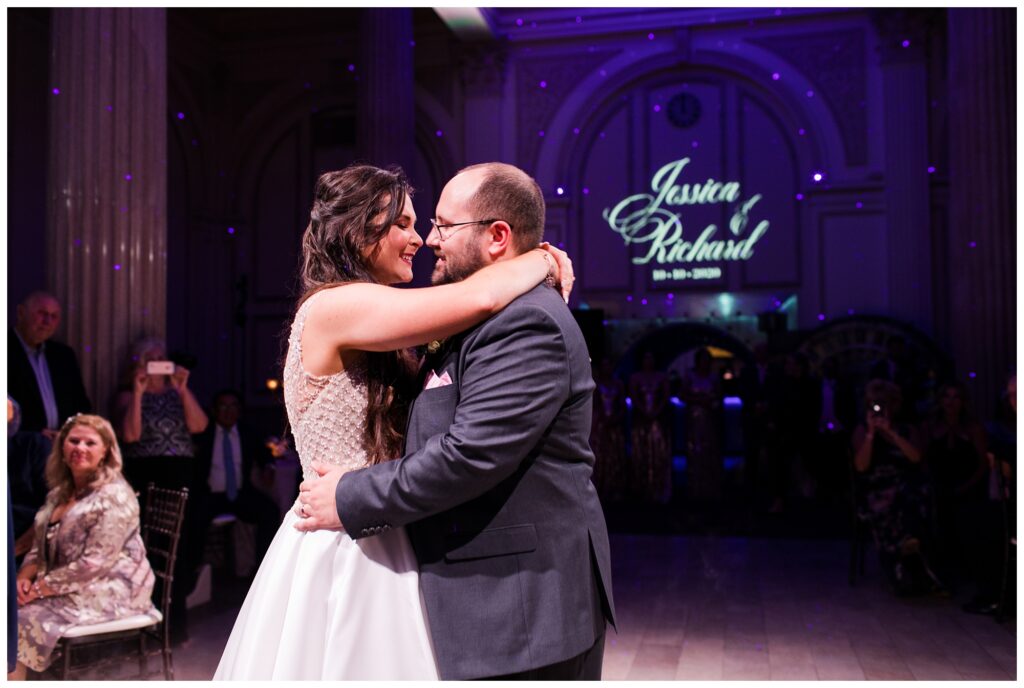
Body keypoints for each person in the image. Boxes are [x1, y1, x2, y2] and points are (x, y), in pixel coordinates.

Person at [215, 163, 584, 680]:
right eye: (404, 224)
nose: (422, 239)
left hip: (382, 521)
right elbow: (477, 297)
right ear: (359, 230)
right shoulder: (334, 307)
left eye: (429, 224)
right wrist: (540, 259)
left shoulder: (375, 314)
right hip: (344, 535)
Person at [9, 414, 157, 679]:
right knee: (7, 607)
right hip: (67, 584)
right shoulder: (59, 492)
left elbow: (93, 564)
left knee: (14, 620)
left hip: (112, 589)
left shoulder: (114, 495)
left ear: (105, 452)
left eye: (90, 443)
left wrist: (38, 590)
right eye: (73, 441)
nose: (80, 448)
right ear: (62, 448)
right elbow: (39, 544)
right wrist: (23, 578)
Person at [113, 337, 208, 645]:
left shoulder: (176, 393)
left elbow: (199, 426)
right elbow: (131, 434)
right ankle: (147, 627)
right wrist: (139, 391)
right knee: (152, 549)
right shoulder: (128, 395)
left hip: (182, 475)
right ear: (138, 363)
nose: (157, 361)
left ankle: (175, 628)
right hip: (148, 476)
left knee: (181, 551)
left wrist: (182, 389)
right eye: (149, 357)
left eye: (160, 356)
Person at [851, 380, 938, 596]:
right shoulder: (862, 430)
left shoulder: (907, 429)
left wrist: (893, 434)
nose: (878, 408)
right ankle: (907, 560)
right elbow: (861, 466)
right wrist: (872, 434)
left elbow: (916, 458)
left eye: (883, 403)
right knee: (896, 501)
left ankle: (908, 562)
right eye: (873, 403)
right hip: (876, 491)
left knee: (910, 496)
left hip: (907, 488)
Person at [921, 382, 995, 611]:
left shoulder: (973, 427)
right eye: (947, 397)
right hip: (939, 487)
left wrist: (966, 487)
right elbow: (923, 459)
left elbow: (983, 465)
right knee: (936, 521)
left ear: (963, 401)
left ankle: (972, 580)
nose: (951, 402)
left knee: (966, 520)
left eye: (956, 397)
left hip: (969, 487)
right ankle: (940, 577)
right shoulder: (931, 426)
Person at [192, 389, 280, 570]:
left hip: (240, 493)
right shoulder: (204, 432)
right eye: (223, 406)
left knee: (270, 512)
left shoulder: (247, 432)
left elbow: (265, 455)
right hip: (210, 494)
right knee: (194, 518)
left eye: (233, 406)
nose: (228, 411)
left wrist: (268, 468)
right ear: (214, 410)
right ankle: (195, 573)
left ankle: (262, 570)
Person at [8, 292, 92, 436]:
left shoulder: (64, 355)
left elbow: (81, 404)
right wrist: (36, 432)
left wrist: (70, 432)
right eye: (42, 313)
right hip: (16, 449)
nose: (47, 321)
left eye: (54, 316)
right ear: (21, 313)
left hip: (59, 448)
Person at [680, 348, 722, 503]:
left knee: (710, 452)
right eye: (702, 359)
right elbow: (682, 395)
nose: (705, 363)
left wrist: (711, 402)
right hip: (694, 419)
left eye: (707, 360)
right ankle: (695, 488)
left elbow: (719, 396)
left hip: (710, 420)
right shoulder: (690, 376)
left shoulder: (714, 377)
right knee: (695, 451)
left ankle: (710, 488)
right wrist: (698, 400)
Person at [629, 351, 672, 503]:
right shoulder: (635, 378)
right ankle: (642, 488)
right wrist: (644, 411)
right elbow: (634, 397)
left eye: (651, 358)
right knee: (642, 452)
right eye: (646, 358)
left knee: (658, 452)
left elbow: (665, 397)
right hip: (641, 422)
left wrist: (656, 412)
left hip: (657, 422)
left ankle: (659, 489)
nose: (648, 361)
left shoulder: (661, 377)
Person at [590, 358, 628, 502]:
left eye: (609, 365)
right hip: (600, 425)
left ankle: (616, 487)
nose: (608, 369)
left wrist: (616, 418)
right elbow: (594, 404)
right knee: (601, 455)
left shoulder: (618, 384)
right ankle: (601, 487)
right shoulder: (596, 385)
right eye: (605, 366)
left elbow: (622, 405)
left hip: (615, 424)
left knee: (615, 455)